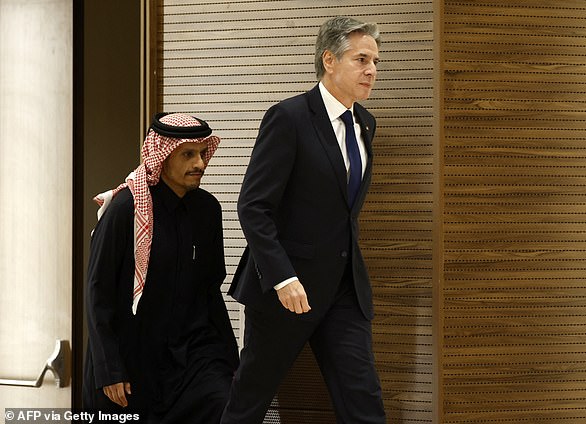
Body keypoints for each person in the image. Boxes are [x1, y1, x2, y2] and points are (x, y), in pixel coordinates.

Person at [221, 16, 385, 423]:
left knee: (363, 399)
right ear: (329, 60)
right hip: (285, 291)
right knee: (249, 401)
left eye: (376, 61)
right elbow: (253, 206)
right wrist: (282, 277)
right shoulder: (289, 118)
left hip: (344, 291)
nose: (372, 70)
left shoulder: (365, 123)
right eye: (361, 59)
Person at [83, 113, 239, 423]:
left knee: (225, 404)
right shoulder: (126, 209)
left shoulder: (207, 210)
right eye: (188, 155)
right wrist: (109, 368)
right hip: (130, 357)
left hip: (192, 357)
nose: (200, 164)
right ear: (163, 157)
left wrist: (229, 360)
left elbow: (210, 290)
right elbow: (98, 293)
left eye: (202, 153)